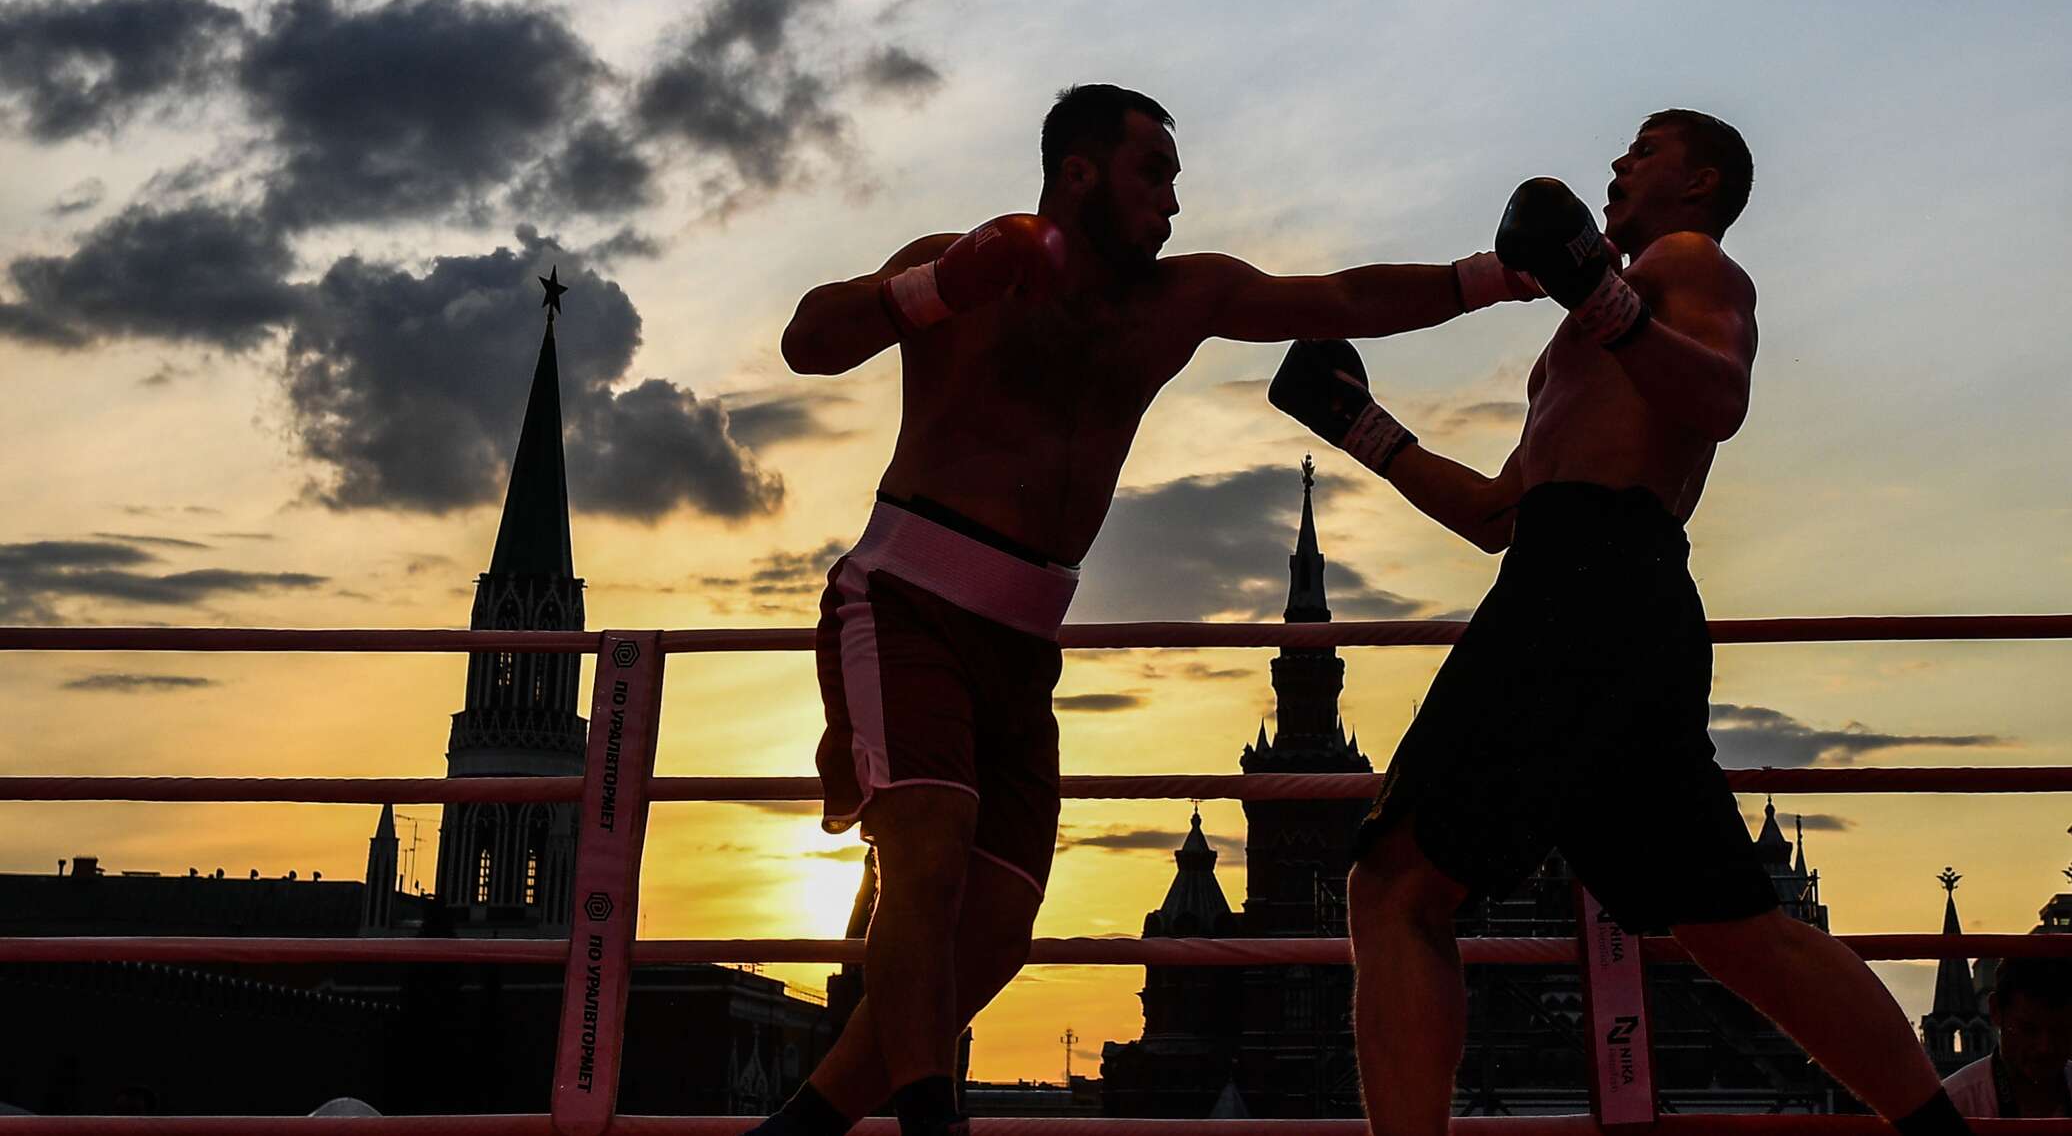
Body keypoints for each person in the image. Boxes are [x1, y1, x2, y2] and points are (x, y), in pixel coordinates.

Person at [760, 83, 1542, 1136]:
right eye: (1154, 175)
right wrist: (937, 286)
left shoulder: (1177, 298)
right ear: (1078, 173)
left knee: (993, 930)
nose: (1173, 202)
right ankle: (930, 1127)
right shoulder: (964, 262)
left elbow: (1340, 303)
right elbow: (808, 339)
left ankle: (798, 1126)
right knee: (929, 850)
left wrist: (1497, 277)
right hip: (907, 601)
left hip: (1024, 645)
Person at [1273, 109, 1976, 1136]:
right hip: (1598, 584)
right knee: (1732, 928)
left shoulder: (1692, 264)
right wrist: (1359, 426)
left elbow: (1719, 397)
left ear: (1698, 187)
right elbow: (1493, 514)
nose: (1616, 160)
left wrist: (1603, 298)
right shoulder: (1580, 333)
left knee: (1395, 886)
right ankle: (1934, 1128)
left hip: (1582, 587)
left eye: (1644, 150)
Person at [1946, 957, 2072, 1118]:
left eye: (2060, 1030)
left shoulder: (1955, 1101)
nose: (2045, 1047)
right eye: (2028, 1029)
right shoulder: (1952, 1105)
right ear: (1995, 1010)